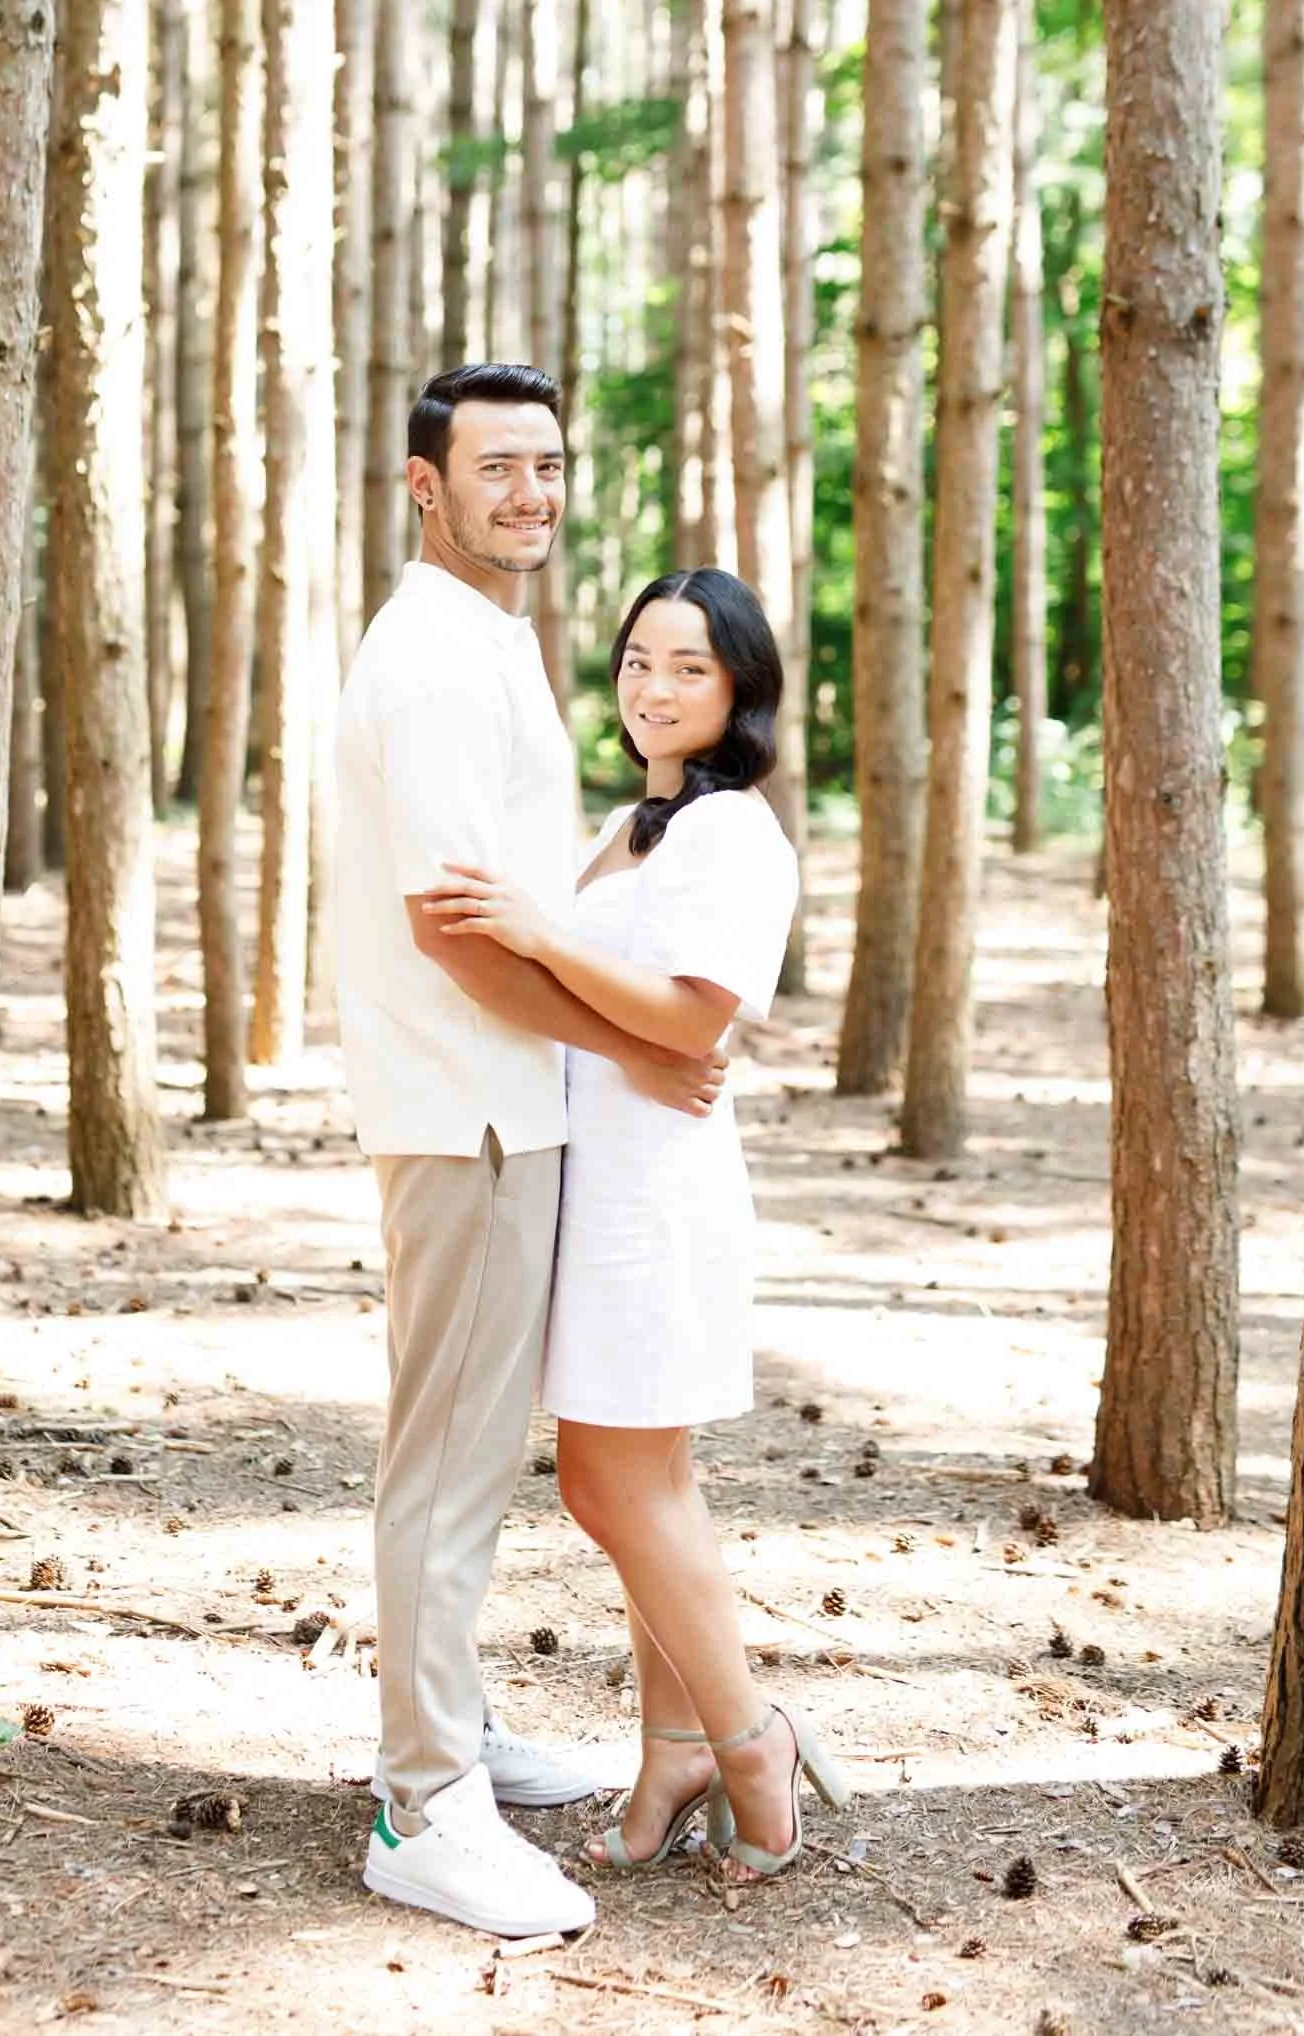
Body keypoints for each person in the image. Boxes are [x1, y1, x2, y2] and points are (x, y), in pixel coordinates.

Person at [336, 364, 728, 1938]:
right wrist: (642, 1048)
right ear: (424, 487)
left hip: (502, 1102)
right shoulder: (433, 662)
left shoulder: (484, 642)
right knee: (445, 1462)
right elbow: (454, 939)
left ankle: (456, 1729)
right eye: (495, 468)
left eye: (549, 466)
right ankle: (421, 1801)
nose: (531, 495)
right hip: (470, 1105)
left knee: (469, 1446)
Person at [423, 567, 849, 1886]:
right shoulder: (629, 824)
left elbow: (690, 1017)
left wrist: (546, 934)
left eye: (689, 669)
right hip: (593, 1177)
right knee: (641, 1481)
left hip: (651, 1196)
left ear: (740, 694)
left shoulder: (733, 834)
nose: (655, 690)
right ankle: (671, 1742)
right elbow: (607, 1006)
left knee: (614, 1481)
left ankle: (750, 1734)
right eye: (639, 662)